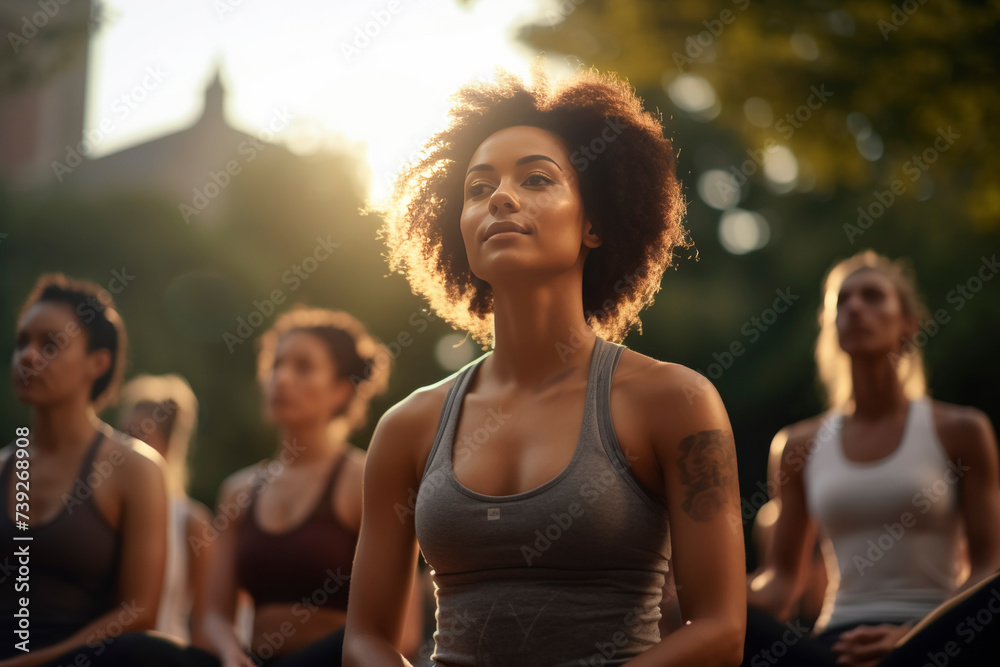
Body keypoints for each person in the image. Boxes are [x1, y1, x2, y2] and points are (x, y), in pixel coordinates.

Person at [344, 67, 746, 666]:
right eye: (477, 189)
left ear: (594, 223)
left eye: (536, 178)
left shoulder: (676, 401)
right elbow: (365, 641)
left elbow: (720, 631)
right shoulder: (408, 426)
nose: (499, 197)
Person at [745, 251, 1000, 666]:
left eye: (873, 297)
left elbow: (989, 563)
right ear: (831, 327)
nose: (855, 308)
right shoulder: (796, 445)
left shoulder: (963, 430)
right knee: (728, 623)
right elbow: (781, 585)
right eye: (842, 301)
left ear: (908, 322)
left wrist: (912, 635)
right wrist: (697, 595)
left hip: (937, 636)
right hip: (837, 647)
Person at [193, 307, 423, 667]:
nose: (281, 379)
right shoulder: (238, 491)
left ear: (341, 390)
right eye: (276, 365)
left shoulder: (365, 480)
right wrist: (229, 652)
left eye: (303, 367)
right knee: (142, 652)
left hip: (335, 662)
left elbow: (402, 636)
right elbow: (211, 618)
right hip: (254, 661)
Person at [1, 274, 171, 666]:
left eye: (50, 345)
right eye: (22, 342)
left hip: (84, 660)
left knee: (160, 654)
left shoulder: (135, 469)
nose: (27, 356)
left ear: (98, 363)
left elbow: (139, 614)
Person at [118, 374, 214, 646]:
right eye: (122, 434)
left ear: (169, 444)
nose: (125, 447)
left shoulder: (192, 522)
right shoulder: (104, 510)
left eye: (137, 436)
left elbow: (205, 623)